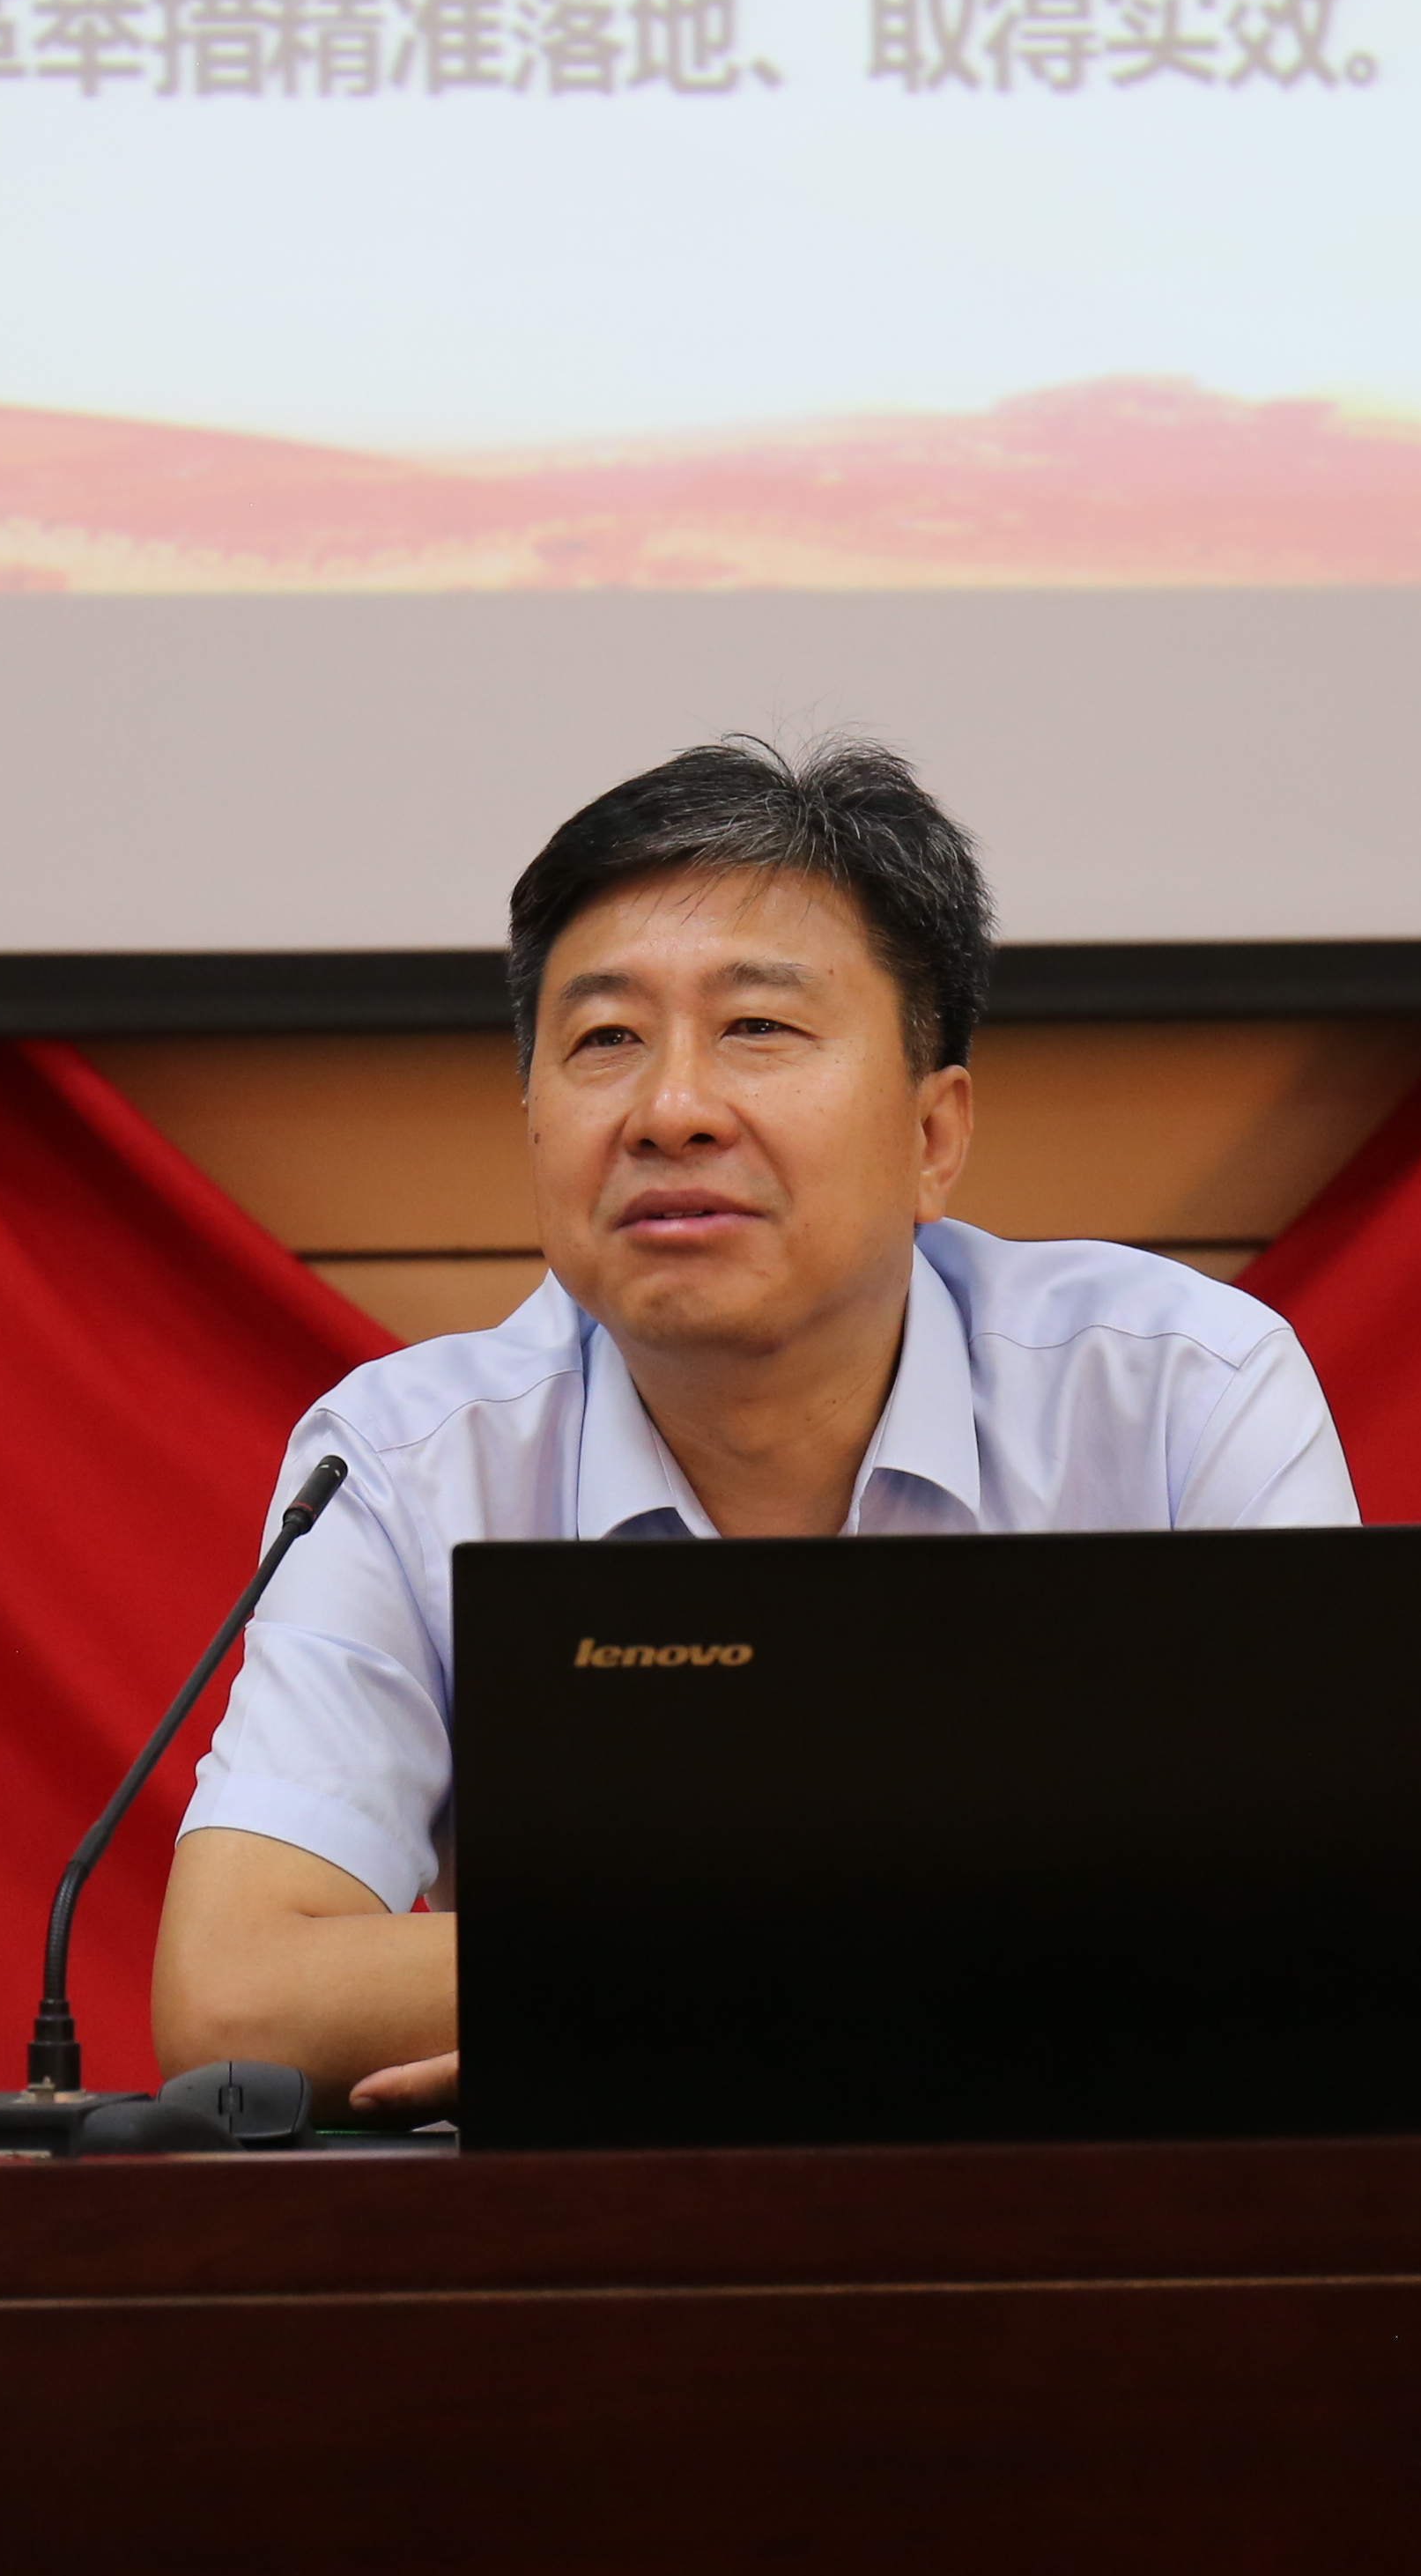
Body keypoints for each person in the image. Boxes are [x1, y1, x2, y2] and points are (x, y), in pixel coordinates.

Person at [151, 734, 1359, 2119]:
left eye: (759, 1029)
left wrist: (649, 2001)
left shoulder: (1175, 1394)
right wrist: (903, 1966)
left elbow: (1318, 1943)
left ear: (933, 1137)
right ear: (533, 1122)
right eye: (605, 1040)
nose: (670, 1111)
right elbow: (235, 1998)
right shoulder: (410, 1460)